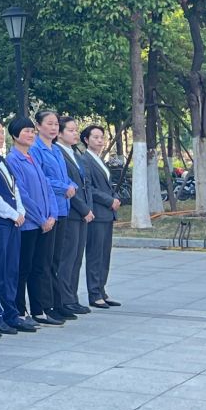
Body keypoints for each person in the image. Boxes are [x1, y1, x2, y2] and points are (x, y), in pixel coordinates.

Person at [0, 119, 33, 331]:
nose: (1, 137)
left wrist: (21, 211)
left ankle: (11, 313)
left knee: (11, 269)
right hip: (1, 222)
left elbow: (15, 189)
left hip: (14, 222)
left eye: (2, 133)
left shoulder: (2, 159)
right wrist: (11, 213)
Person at [8, 117, 58, 324]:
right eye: (26, 131)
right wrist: (40, 218)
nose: (30, 135)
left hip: (45, 223)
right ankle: (20, 311)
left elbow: (47, 187)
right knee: (23, 269)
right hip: (29, 224)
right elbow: (22, 195)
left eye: (32, 131)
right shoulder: (12, 159)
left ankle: (39, 310)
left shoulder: (32, 158)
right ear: (14, 135)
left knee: (39, 268)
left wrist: (52, 215)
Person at [35, 112, 85, 318]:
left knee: (57, 259)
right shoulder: (36, 149)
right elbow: (42, 178)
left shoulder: (56, 149)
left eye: (56, 124)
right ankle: (47, 305)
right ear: (38, 126)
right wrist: (63, 187)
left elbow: (65, 177)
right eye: (49, 124)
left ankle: (59, 301)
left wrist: (70, 185)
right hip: (49, 208)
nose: (54, 128)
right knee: (45, 262)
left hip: (62, 208)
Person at [80, 124, 122, 308]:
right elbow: (89, 188)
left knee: (105, 255)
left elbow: (107, 185)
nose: (100, 140)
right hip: (97, 212)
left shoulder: (99, 160)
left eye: (101, 137)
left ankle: (102, 290)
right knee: (95, 254)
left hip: (108, 213)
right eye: (95, 137)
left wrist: (115, 197)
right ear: (86, 140)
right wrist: (108, 200)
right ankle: (94, 293)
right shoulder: (85, 160)